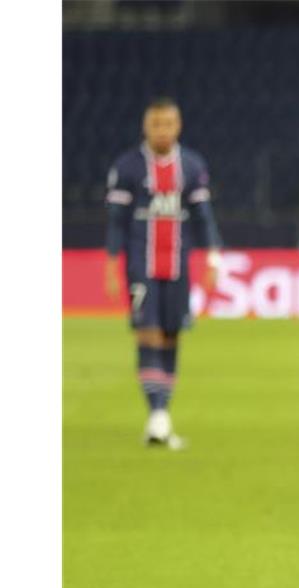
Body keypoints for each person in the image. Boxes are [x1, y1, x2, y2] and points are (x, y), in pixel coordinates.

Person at [104, 96, 224, 449]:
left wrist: (213, 260)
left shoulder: (191, 164)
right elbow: (115, 223)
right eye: (155, 124)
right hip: (141, 264)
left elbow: (203, 217)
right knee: (148, 332)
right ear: (146, 127)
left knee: (171, 335)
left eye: (168, 124)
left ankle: (161, 416)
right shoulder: (127, 167)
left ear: (178, 126)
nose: (162, 130)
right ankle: (157, 414)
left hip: (177, 266)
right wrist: (112, 265)